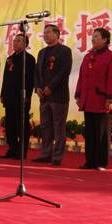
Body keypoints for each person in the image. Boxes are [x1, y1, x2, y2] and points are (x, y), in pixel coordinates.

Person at [75, 28, 112, 171]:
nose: (93, 39)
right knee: (90, 133)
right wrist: (78, 95)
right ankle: (90, 161)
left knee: (102, 133)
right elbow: (81, 77)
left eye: (96, 36)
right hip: (88, 100)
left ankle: (101, 163)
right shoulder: (88, 57)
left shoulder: (111, 57)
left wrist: (111, 98)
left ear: (105, 39)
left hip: (102, 101)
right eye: (92, 36)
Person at [33, 24, 72, 166]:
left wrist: (51, 87)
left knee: (58, 127)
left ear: (57, 34)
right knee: (45, 127)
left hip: (58, 96)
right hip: (43, 96)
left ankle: (57, 157)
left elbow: (64, 71)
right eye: (44, 33)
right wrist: (37, 87)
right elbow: (37, 72)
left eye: (48, 32)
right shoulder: (42, 52)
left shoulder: (65, 51)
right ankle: (45, 154)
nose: (46, 35)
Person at [0, 34, 35, 160]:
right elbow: (5, 78)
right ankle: (12, 148)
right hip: (9, 97)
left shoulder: (29, 59)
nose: (15, 43)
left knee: (21, 125)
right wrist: (2, 94)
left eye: (18, 41)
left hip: (21, 97)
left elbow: (30, 80)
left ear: (25, 44)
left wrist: (28, 95)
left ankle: (21, 151)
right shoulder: (10, 58)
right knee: (10, 125)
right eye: (14, 40)